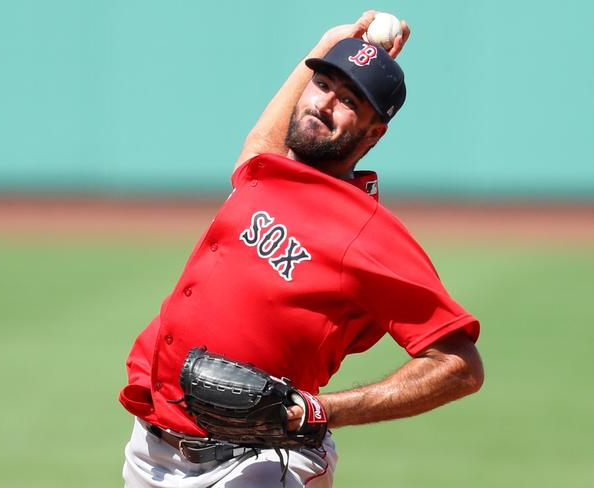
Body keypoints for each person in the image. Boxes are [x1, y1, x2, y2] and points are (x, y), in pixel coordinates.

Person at [119, 10, 484, 488]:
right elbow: (260, 143)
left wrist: (323, 409)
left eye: (349, 99)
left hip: (259, 463)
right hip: (151, 450)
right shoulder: (266, 173)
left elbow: (459, 365)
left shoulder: (365, 232)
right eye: (323, 84)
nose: (324, 103)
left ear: (374, 133)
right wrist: (330, 41)